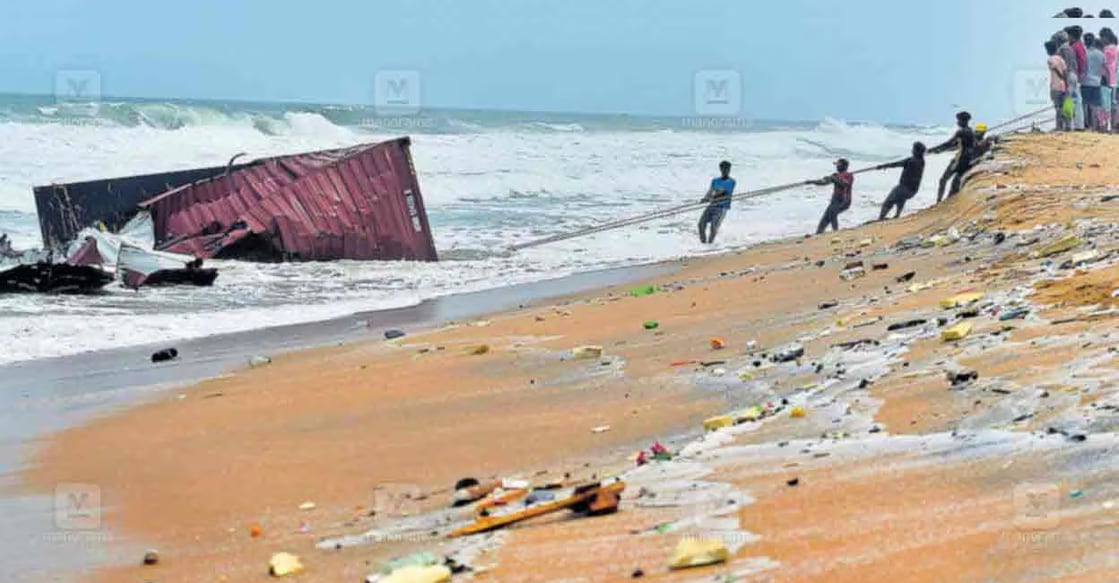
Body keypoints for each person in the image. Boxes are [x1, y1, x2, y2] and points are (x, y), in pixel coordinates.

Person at [930, 111, 976, 202]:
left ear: (963, 121)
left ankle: (938, 201)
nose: (957, 122)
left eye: (958, 120)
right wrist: (939, 150)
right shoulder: (971, 131)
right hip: (968, 159)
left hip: (959, 160)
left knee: (943, 180)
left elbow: (948, 144)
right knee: (954, 182)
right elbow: (957, 145)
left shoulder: (961, 132)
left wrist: (933, 149)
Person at [875, 142, 926, 220]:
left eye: (914, 149)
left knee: (889, 201)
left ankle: (881, 218)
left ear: (916, 151)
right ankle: (897, 215)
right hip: (913, 190)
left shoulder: (911, 161)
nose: (912, 150)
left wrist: (883, 166)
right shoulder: (922, 161)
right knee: (901, 199)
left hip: (904, 188)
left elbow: (896, 164)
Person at [812, 158, 854, 234]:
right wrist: (812, 182)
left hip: (844, 200)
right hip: (835, 200)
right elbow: (824, 182)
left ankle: (835, 232)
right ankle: (818, 234)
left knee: (832, 212)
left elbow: (845, 184)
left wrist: (834, 178)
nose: (837, 167)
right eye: (836, 165)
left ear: (844, 166)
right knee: (825, 218)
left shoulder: (849, 175)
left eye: (838, 165)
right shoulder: (835, 175)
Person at [697, 160, 735, 244]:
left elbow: (725, 193)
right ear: (720, 169)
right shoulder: (715, 180)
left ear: (729, 170)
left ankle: (710, 244)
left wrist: (713, 197)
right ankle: (703, 243)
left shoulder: (731, 181)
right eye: (723, 169)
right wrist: (705, 198)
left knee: (713, 227)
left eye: (727, 169)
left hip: (722, 207)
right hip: (712, 205)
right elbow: (710, 191)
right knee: (701, 224)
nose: (725, 171)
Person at [1083, 33, 1107, 130]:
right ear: (1094, 41)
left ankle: (1087, 125)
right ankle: (1095, 125)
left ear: (1085, 42)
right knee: (1095, 105)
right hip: (1097, 82)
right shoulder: (1100, 54)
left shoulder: (1083, 53)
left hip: (1085, 82)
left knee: (1085, 104)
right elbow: (1104, 69)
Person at [1047, 39, 1071, 130]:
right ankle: (1068, 126)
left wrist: (1060, 76)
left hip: (1055, 86)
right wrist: (1066, 82)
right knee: (1066, 107)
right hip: (1063, 86)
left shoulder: (1050, 60)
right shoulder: (1061, 59)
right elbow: (1065, 72)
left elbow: (1055, 69)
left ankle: (1059, 126)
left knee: (1058, 108)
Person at [1068, 26, 1090, 127]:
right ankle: (1076, 124)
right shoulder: (1079, 46)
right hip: (1076, 74)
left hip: (1074, 74)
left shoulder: (1075, 46)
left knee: (1072, 99)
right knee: (1075, 100)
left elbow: (1082, 61)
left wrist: (1080, 74)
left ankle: (1074, 124)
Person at [1101, 28, 1118, 131]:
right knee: (1114, 104)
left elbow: (1103, 65)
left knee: (1105, 104)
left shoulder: (1105, 49)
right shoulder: (1116, 48)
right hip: (1115, 79)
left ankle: (1106, 125)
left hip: (1105, 79)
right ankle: (1114, 125)